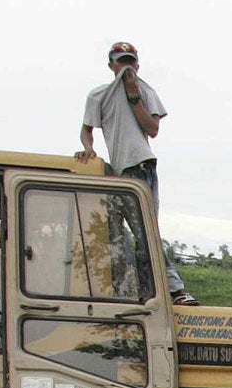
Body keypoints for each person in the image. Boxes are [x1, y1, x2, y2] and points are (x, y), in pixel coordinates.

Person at [76, 41, 196, 304]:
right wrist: (88, 149)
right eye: (121, 61)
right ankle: (134, 291)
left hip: (142, 166)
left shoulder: (144, 91)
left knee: (146, 233)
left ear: (137, 65)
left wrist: (133, 97)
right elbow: (87, 129)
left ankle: (172, 289)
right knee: (118, 234)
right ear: (111, 65)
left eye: (130, 61)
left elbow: (152, 129)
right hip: (120, 171)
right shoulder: (99, 95)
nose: (125, 66)